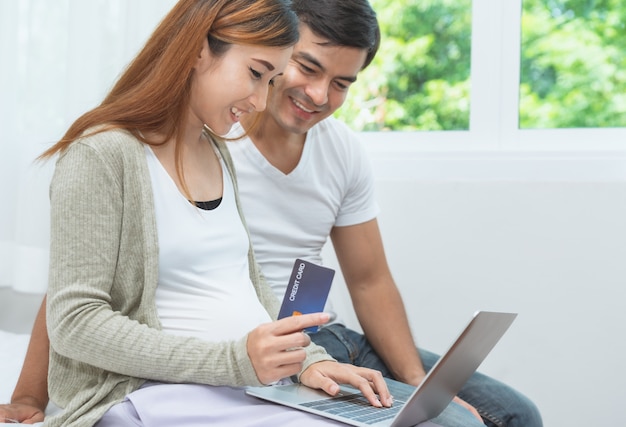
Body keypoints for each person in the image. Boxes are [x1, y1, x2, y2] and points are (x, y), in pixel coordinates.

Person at [1, 1, 542, 426]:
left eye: (341, 83)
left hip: (292, 342)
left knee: (493, 416)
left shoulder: (220, 149)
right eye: (271, 71)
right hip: (227, 369)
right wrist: (30, 396)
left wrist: (406, 382)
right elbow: (80, 299)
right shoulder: (113, 154)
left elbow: (334, 281)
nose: (304, 94)